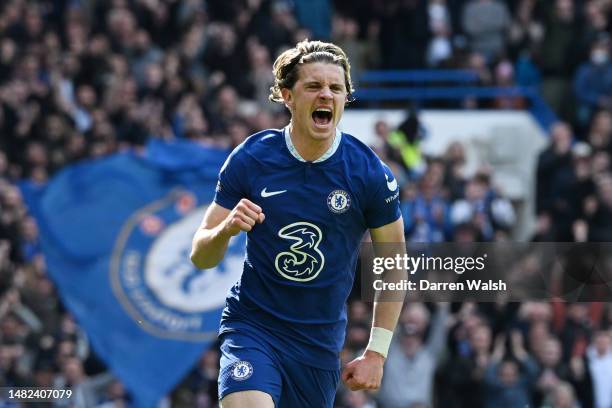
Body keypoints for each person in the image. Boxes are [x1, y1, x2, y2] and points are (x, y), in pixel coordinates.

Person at [190, 39, 406, 407]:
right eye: (314, 86)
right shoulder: (251, 159)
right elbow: (201, 256)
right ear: (287, 96)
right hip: (253, 326)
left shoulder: (368, 173)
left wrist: (376, 352)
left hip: (317, 346)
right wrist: (226, 230)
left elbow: (393, 265)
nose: (326, 95)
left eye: (336, 88)